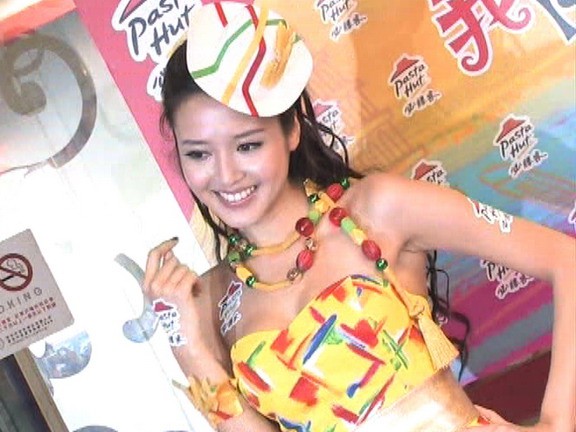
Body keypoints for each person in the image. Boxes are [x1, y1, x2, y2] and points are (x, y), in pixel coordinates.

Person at [143, 2, 575, 431]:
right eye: (198, 154)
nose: (226, 175)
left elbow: (566, 260)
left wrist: (555, 423)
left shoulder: (377, 210)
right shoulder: (212, 299)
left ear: (291, 130)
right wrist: (189, 348)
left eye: (247, 146)